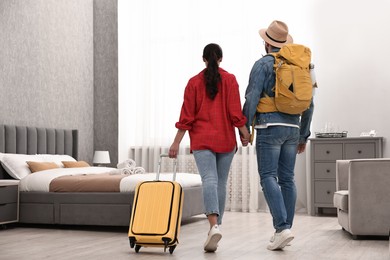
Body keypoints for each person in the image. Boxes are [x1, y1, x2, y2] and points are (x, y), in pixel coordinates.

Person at [169, 43, 250, 252]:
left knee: (210, 180)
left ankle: (213, 226)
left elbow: (186, 117)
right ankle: (216, 227)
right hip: (225, 140)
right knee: (220, 183)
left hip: (202, 140)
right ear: (221, 58)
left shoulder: (193, 82)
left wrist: (176, 142)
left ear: (203, 59)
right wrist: (245, 133)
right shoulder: (230, 80)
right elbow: (235, 114)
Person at [242, 20, 314, 250]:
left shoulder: (263, 64)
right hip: (293, 128)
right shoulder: (301, 66)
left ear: (266, 43)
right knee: (287, 179)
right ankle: (285, 230)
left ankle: (282, 228)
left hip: (268, 126)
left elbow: (252, 97)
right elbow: (310, 104)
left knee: (268, 177)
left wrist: (244, 128)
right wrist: (303, 135)